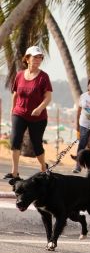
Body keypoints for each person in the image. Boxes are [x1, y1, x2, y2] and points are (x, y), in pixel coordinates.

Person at [4, 46, 52, 181]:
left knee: (37, 144)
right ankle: (14, 173)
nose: (38, 59)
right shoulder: (19, 75)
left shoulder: (43, 77)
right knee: (15, 141)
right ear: (27, 58)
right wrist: (13, 111)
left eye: (40, 57)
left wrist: (39, 108)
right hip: (19, 113)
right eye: (35, 57)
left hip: (38, 117)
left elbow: (48, 97)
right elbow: (15, 94)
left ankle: (43, 166)